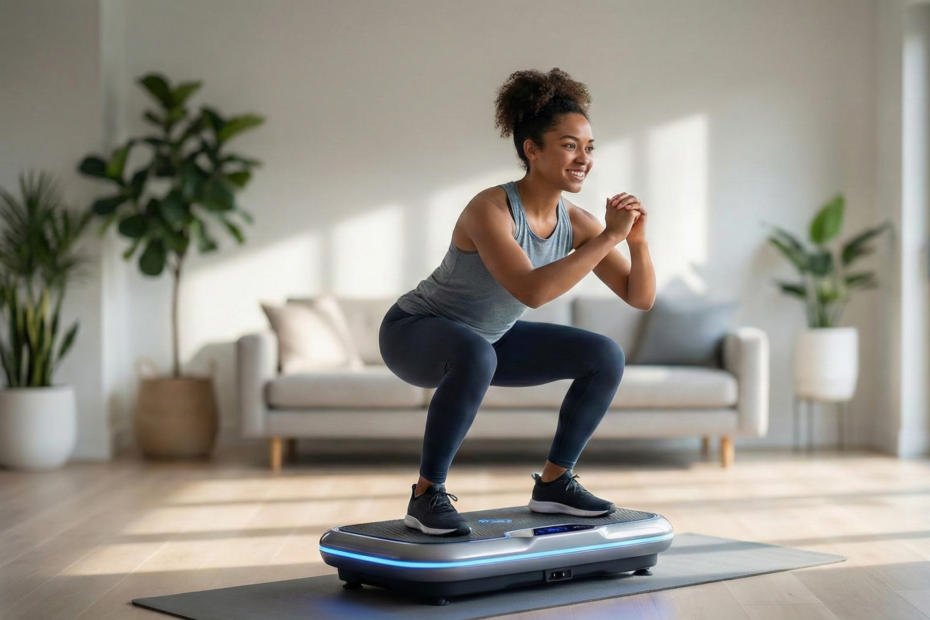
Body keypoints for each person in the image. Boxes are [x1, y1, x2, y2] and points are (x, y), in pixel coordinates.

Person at [378, 68, 656, 536]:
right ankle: (426, 495)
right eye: (569, 145)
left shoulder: (577, 221)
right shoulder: (489, 209)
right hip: (414, 332)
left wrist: (637, 243)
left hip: (487, 342)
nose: (583, 158)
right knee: (474, 351)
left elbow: (639, 297)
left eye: (589, 147)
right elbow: (532, 290)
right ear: (532, 149)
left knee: (602, 355)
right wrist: (609, 235)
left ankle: (554, 484)